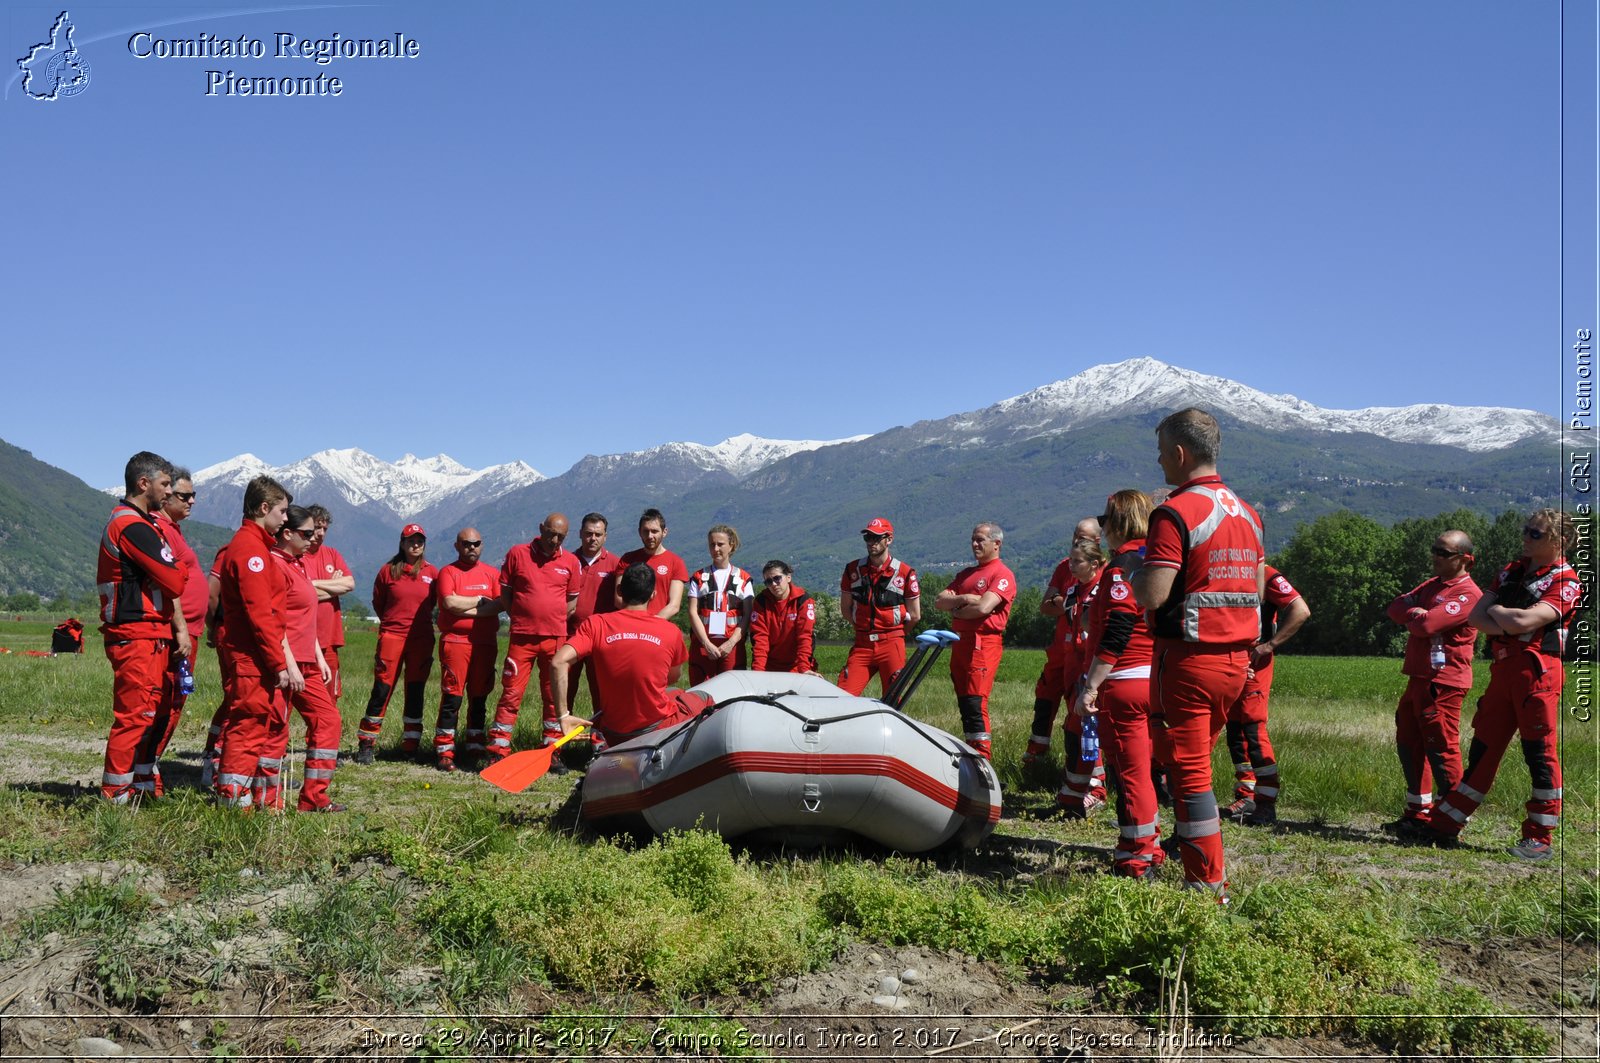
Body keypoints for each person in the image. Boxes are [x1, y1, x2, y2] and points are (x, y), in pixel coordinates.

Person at [1131, 408, 1265, 901]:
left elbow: (1153, 593)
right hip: (1235, 660)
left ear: (1181, 454)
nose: (1159, 459)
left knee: (1189, 774)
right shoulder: (1247, 513)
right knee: (1194, 766)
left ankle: (1207, 886)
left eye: (1162, 450)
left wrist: (1132, 572)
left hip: (1187, 659)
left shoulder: (1175, 512)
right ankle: (1193, 847)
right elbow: (1255, 587)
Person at [1430, 510, 1579, 861]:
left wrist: (1502, 614)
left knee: (1539, 753)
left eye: (1536, 534)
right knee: (1484, 747)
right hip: (1503, 670)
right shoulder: (1511, 570)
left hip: (1538, 673)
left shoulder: (1567, 580)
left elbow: (1526, 619)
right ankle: (1445, 824)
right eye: (1526, 530)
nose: (1526, 537)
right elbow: (1476, 617)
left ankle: (1540, 837)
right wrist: (1506, 619)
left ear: (1559, 541)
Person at [1074, 490, 1163, 877]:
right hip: (1154, 679)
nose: (1102, 529)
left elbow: (1118, 629)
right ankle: (1147, 843)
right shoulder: (1158, 560)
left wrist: (1091, 685)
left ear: (1120, 522)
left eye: (1105, 521)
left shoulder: (1123, 566)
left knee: (1129, 773)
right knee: (1143, 769)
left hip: (1124, 681)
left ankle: (1137, 856)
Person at [97, 451, 188, 804]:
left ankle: (138, 786)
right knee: (136, 715)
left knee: (150, 711)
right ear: (143, 483)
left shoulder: (139, 522)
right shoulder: (132, 525)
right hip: (136, 632)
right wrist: (175, 570)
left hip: (149, 632)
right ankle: (115, 795)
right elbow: (175, 579)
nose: (169, 491)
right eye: (165, 484)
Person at [1382, 530, 1482, 837]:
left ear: (1465, 559)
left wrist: (1418, 617)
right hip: (1418, 678)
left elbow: (1429, 625)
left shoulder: (1467, 594)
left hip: (1444, 682)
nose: (1435, 557)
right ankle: (1418, 812)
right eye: (1434, 550)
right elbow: (1396, 607)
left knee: (1442, 748)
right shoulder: (1433, 585)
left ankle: (1448, 820)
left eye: (1444, 553)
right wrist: (1417, 612)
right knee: (1409, 743)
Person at [214, 475, 297, 810]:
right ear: (264, 508)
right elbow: (259, 613)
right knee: (247, 726)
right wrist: (278, 662)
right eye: (282, 510)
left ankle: (238, 798)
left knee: (252, 724)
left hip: (252, 655)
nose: (286, 518)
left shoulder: (255, 547)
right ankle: (233, 803)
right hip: (250, 656)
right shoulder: (251, 551)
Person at [554, 563, 701, 748]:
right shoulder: (671, 631)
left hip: (613, 730)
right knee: (703, 699)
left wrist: (563, 716)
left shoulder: (596, 624)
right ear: (653, 595)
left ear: (619, 591)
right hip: (654, 728)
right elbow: (673, 677)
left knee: (674, 694)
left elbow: (558, 662)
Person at [485, 513, 580, 762]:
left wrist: (554, 618)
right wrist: (518, 615)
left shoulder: (570, 561)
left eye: (561, 536)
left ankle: (552, 750)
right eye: (551, 533)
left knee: (553, 696)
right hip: (522, 638)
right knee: (511, 693)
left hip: (555, 639)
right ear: (541, 529)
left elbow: (572, 602)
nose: (555, 540)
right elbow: (505, 592)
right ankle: (498, 749)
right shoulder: (518, 553)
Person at [1222, 563, 1310, 826]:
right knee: (1235, 728)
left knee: (1252, 728)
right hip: (1231, 661)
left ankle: (1266, 802)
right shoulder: (1228, 569)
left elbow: (1301, 609)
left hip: (1255, 664)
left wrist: (1269, 645)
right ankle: (1246, 794)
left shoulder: (1268, 574)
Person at [269, 507, 344, 811]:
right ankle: (266, 800)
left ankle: (314, 798)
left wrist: (318, 656)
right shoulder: (275, 565)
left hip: (308, 661)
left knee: (328, 720)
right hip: (284, 662)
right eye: (307, 533)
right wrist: (288, 663)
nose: (314, 538)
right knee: (274, 729)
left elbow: (304, 615)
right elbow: (275, 620)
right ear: (287, 534)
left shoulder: (298, 564)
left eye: (316, 532)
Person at [933, 522, 1017, 758]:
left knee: (975, 701)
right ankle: (971, 752)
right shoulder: (966, 574)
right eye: (973, 539)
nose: (975, 544)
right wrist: (966, 597)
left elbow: (983, 607)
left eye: (980, 539)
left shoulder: (1002, 575)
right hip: (961, 643)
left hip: (983, 644)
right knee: (964, 701)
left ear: (996, 544)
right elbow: (940, 601)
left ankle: (982, 757)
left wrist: (957, 610)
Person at [148, 467, 209, 792]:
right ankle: (145, 770)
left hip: (191, 631)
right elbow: (166, 583)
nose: (192, 501)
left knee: (174, 702)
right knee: (166, 702)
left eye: (193, 495)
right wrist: (181, 628)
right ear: (165, 494)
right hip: (177, 635)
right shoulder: (160, 529)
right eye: (185, 496)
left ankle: (147, 767)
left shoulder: (175, 529)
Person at [356, 523, 437, 764]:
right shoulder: (388, 571)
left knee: (415, 691)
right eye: (411, 540)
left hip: (421, 639)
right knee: (381, 690)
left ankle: (410, 747)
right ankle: (367, 744)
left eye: (420, 540)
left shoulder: (433, 573)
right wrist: (393, 625)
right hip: (392, 636)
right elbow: (379, 602)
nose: (416, 544)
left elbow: (434, 603)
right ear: (402, 543)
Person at [1024, 517, 1103, 765]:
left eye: (1083, 537)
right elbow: (1046, 606)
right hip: (1061, 648)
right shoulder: (1065, 566)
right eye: (1075, 535)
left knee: (1080, 710)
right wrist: (1067, 603)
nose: (1076, 541)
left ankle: (1091, 773)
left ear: (1097, 543)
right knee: (1046, 695)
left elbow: (1092, 611)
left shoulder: (1104, 572)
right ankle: (1037, 753)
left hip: (1085, 652)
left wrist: (1067, 603)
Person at [433, 527, 502, 771]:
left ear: (482, 545)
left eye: (476, 543)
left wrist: (467, 607)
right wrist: (480, 600)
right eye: (466, 544)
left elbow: (498, 605)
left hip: (485, 643)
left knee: (479, 695)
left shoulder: (493, 573)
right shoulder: (448, 572)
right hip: (455, 642)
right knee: (452, 696)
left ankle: (474, 743)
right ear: (457, 546)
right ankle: (444, 749)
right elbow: (449, 602)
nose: (471, 547)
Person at [838, 518, 921, 697]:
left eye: (876, 537)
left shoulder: (905, 573)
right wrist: (860, 628)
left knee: (893, 700)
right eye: (868, 537)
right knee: (843, 695)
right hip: (863, 644)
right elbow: (846, 609)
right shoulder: (853, 570)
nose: (871, 542)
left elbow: (915, 615)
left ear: (889, 539)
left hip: (892, 643)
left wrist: (895, 634)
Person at [1055, 538, 1109, 816]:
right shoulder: (1074, 588)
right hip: (1073, 665)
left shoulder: (1102, 588)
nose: (1071, 566)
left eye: (1077, 561)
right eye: (1071, 560)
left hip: (1091, 667)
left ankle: (1092, 791)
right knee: (1075, 729)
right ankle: (1076, 790)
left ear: (1095, 564)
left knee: (1085, 731)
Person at [567, 512, 622, 714]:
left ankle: (600, 737)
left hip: (601, 639)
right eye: (589, 533)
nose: (593, 538)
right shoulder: (568, 561)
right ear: (580, 534)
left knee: (601, 690)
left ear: (605, 536)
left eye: (598, 534)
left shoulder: (616, 565)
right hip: (569, 636)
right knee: (565, 687)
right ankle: (558, 737)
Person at [686, 524, 754, 684]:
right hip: (703, 645)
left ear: (731, 546)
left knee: (731, 693)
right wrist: (706, 643)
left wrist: (730, 643)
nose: (715, 548)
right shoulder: (698, 576)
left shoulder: (743, 578)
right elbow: (692, 612)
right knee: (700, 694)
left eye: (720, 544)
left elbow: (747, 615)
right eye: (712, 544)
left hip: (732, 645)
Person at [302, 505, 354, 702]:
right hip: (304, 638)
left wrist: (313, 584)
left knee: (329, 698)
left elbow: (349, 583)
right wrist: (333, 586)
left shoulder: (332, 553)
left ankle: (321, 734)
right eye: (316, 527)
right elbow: (298, 594)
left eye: (324, 529)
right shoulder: (298, 554)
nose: (321, 533)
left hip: (329, 639)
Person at [615, 508, 688, 619]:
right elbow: (618, 598)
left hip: (659, 626)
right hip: (630, 624)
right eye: (646, 531)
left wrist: (652, 623)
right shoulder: (627, 559)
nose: (650, 536)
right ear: (639, 532)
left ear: (664, 532)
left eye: (654, 531)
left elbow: (674, 605)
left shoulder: (676, 562)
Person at [749, 560, 818, 674]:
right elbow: (760, 639)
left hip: (797, 666)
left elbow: (805, 637)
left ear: (788, 577)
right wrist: (758, 672)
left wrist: (804, 669)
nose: (774, 584)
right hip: (768, 666)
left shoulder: (803, 600)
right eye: (768, 581)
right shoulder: (761, 602)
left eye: (777, 578)